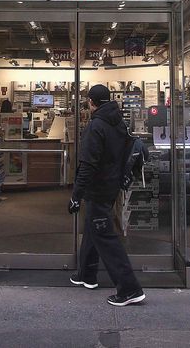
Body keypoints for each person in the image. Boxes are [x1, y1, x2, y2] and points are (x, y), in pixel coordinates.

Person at [68, 84, 145, 306]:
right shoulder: (118, 122)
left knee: (105, 236)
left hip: (98, 188)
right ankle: (86, 275)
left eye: (87, 101)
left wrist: (76, 194)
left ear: (91, 102)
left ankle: (129, 288)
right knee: (94, 229)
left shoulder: (96, 126)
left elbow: (87, 165)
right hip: (111, 186)